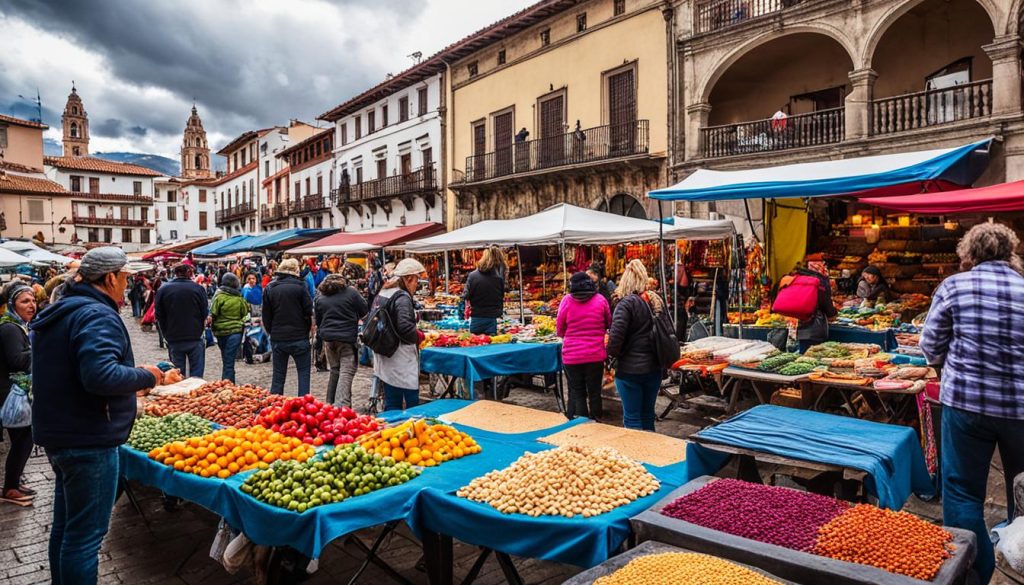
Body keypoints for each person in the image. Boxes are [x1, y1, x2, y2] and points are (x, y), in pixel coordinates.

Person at [30, 247, 163, 585]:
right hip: (89, 439)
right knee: (84, 538)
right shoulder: (95, 314)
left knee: (66, 528)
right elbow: (100, 376)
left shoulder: (61, 310)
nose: (127, 284)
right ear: (109, 278)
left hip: (61, 434)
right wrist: (148, 376)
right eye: (124, 278)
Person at [919, 223, 1024, 585]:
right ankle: (1018, 557)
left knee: (963, 491)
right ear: (1010, 252)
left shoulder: (954, 287)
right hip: (1021, 409)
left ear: (969, 254)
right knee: (1022, 488)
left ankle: (971, 573)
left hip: (967, 405)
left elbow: (930, 346)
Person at [606, 259, 665, 431]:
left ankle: (636, 455)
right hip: (654, 367)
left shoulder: (626, 304)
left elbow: (615, 340)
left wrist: (611, 354)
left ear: (625, 281)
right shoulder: (655, 301)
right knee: (647, 415)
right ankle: (650, 454)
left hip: (630, 371)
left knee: (632, 418)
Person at [372, 258, 425, 411]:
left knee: (392, 397)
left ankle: (391, 427)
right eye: (416, 280)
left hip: (385, 351)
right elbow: (405, 328)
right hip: (399, 355)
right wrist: (420, 336)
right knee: (410, 399)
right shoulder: (402, 297)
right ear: (408, 279)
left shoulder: (385, 291)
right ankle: (410, 427)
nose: (417, 285)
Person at [0, 282, 36, 506]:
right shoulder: (10, 328)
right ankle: (11, 487)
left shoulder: (18, 326)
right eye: (25, 301)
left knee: (21, 439)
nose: (31, 305)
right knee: (24, 439)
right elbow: (17, 360)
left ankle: (13, 482)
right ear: (13, 304)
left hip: (13, 390)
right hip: (10, 393)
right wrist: (39, 350)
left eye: (32, 300)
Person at [557, 272, 611, 420]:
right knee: (594, 393)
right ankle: (597, 422)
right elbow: (609, 323)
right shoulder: (601, 300)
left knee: (578, 392)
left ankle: (581, 425)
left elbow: (560, 329)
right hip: (595, 355)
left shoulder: (566, 301)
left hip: (572, 356)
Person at [315, 274, 369, 407]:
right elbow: (364, 311)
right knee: (346, 371)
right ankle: (341, 406)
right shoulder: (351, 292)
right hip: (346, 338)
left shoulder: (320, 297)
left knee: (335, 370)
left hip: (328, 338)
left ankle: (329, 404)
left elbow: (318, 320)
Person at [263, 258, 314, 396]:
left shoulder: (270, 288)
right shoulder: (301, 287)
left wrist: (271, 332)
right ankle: (304, 405)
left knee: (278, 376)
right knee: (303, 374)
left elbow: (266, 316)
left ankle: (274, 406)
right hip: (299, 337)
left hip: (278, 337)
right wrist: (306, 329)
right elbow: (309, 311)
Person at [155, 263, 208, 378]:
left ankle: (180, 394)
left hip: (174, 337)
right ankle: (196, 393)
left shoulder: (163, 289)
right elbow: (205, 313)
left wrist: (166, 333)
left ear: (175, 273)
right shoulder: (198, 289)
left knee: (177, 375)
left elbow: (159, 315)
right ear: (189, 273)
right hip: (195, 336)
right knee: (197, 375)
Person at [209, 273, 249, 383]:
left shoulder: (218, 297)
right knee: (229, 360)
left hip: (220, 333)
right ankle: (228, 384)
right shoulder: (239, 299)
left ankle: (228, 383)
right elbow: (245, 312)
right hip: (235, 332)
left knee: (226, 358)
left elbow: (213, 313)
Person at [463, 246, 507, 335]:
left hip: (477, 316)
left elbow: (465, 295)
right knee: (491, 345)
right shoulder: (498, 278)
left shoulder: (472, 275)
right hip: (492, 318)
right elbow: (501, 296)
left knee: (475, 343)